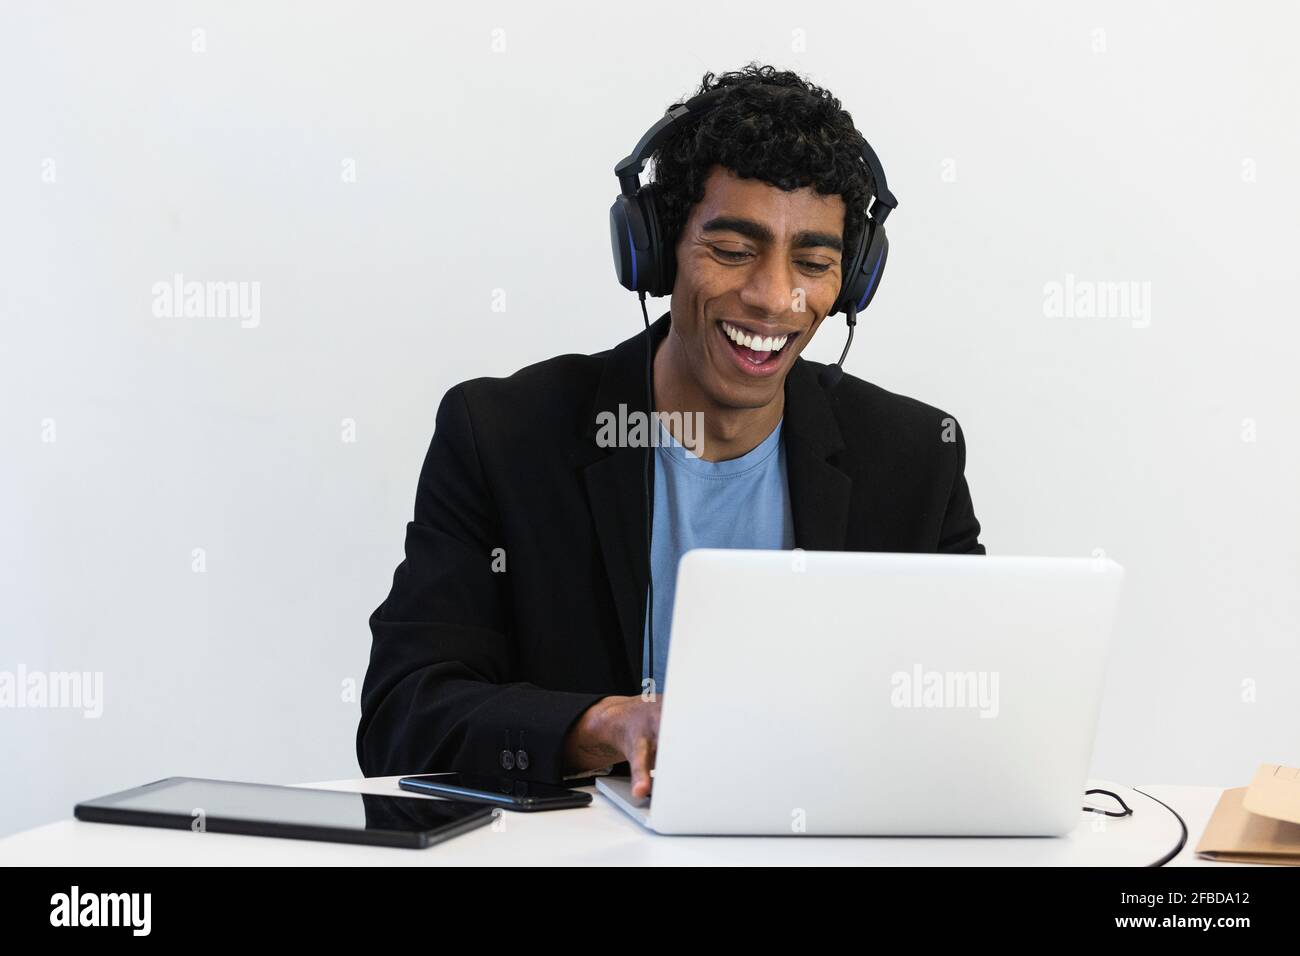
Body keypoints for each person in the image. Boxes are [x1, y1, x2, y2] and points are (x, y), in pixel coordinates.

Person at [357, 63, 985, 800]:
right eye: (733, 249)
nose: (774, 297)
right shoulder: (503, 437)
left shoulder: (916, 457)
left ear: (850, 282)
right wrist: (598, 726)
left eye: (813, 262)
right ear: (654, 254)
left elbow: (971, 711)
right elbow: (402, 715)